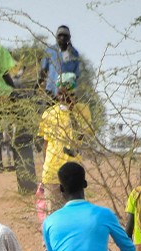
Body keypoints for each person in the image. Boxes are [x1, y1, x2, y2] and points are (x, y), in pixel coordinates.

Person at [38, 73, 92, 214]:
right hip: (53, 174)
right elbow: (45, 145)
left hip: (74, 174)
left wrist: (72, 111)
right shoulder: (49, 114)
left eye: (67, 93)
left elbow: (82, 137)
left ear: (74, 93)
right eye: (60, 93)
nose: (63, 98)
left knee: (77, 215)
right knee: (55, 216)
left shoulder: (83, 111)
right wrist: (45, 173)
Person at [40, 25, 82, 97]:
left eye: (65, 36)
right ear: (56, 37)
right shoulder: (50, 51)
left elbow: (76, 74)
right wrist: (39, 82)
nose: (62, 38)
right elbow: (43, 70)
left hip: (67, 92)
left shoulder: (74, 53)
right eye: (60, 35)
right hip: (51, 90)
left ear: (69, 37)